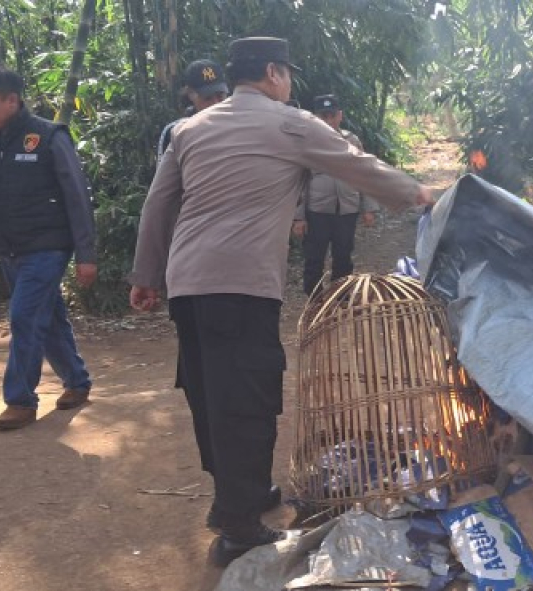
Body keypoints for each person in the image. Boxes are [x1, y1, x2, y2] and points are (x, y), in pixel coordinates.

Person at [128, 37, 432, 567]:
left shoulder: (189, 129)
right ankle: (238, 523)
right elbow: (355, 163)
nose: (288, 82)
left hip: (189, 283)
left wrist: (146, 275)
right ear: (272, 73)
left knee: (208, 391)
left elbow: (159, 205)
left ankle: (241, 493)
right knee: (246, 395)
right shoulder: (288, 121)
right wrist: (418, 195)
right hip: (241, 283)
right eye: (286, 73)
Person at [0, 64, 97, 430]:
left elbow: (77, 198)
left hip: (48, 246)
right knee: (47, 318)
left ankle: (20, 400)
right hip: (9, 249)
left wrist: (86, 255)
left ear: (12, 99)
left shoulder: (48, 136)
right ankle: (77, 381)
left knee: (23, 316)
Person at [291, 94, 381, 295]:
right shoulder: (307, 144)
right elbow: (299, 182)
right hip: (317, 211)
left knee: (343, 257)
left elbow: (365, 173)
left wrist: (368, 208)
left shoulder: (352, 141)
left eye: (332, 115)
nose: (328, 121)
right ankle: (315, 303)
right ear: (315, 118)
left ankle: (339, 300)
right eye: (323, 116)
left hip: (347, 209)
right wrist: (298, 217)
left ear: (340, 115)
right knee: (314, 259)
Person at [156, 59, 230, 157]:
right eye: (207, 98)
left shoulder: (239, 126)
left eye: (220, 96)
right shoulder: (175, 133)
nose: (215, 103)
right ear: (191, 94)